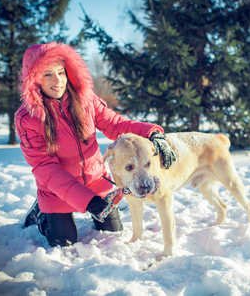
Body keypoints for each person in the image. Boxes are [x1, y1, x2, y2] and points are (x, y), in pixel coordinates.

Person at [15, 42, 176, 247]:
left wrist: (152, 133)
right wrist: (88, 202)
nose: (58, 81)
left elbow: (115, 124)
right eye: (47, 74)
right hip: (56, 189)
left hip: (95, 181)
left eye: (61, 72)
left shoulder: (85, 99)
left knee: (112, 233)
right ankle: (40, 215)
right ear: (33, 77)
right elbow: (46, 169)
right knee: (65, 243)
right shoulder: (27, 118)